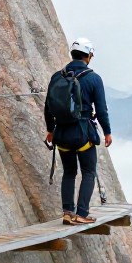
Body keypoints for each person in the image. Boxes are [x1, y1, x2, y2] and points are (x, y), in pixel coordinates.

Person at [44, 37, 112, 224]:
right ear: (89, 55)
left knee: (69, 172)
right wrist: (107, 131)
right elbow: (101, 109)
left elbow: (48, 106)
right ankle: (81, 213)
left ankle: (67, 212)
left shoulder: (57, 76)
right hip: (83, 133)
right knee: (88, 171)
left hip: (62, 133)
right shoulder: (93, 78)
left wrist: (50, 130)